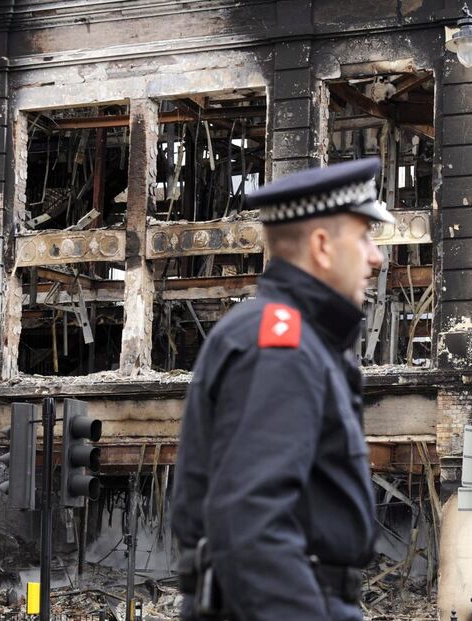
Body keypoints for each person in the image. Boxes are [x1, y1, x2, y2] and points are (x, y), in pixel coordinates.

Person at [171, 158, 393, 621]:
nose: (376, 257)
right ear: (321, 246)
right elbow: (252, 524)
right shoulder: (283, 346)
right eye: (363, 237)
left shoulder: (299, 341)